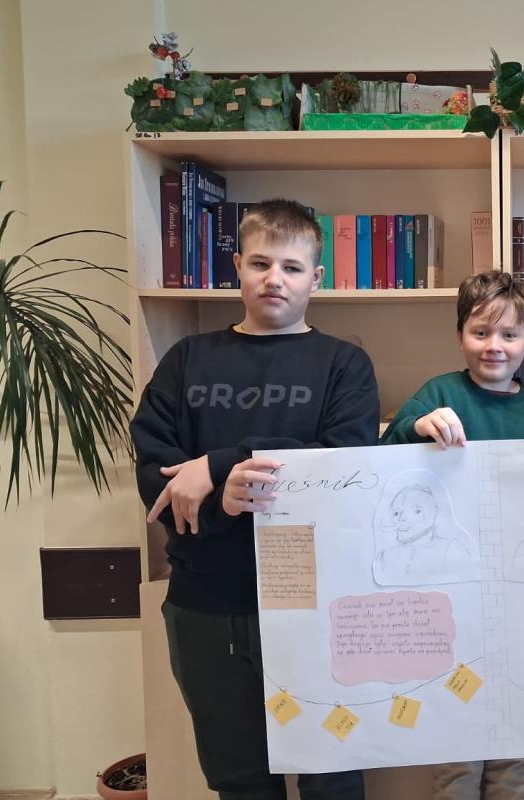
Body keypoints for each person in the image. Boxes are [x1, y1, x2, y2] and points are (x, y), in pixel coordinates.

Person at [130, 199, 379, 800]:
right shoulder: (187, 359)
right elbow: (156, 477)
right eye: (260, 263)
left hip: (317, 604)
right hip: (207, 606)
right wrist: (225, 501)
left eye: (292, 267)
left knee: (333, 779)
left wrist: (217, 465)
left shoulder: (344, 364)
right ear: (237, 266)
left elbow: (341, 465)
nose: (275, 279)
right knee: (241, 783)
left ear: (317, 278)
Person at [381, 269, 524, 800]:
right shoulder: (440, 392)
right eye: (480, 332)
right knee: (456, 750)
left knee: (515, 750)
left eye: (509, 334)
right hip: (452, 598)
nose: (494, 346)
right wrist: (418, 425)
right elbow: (383, 457)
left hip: (519, 596)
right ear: (460, 335)